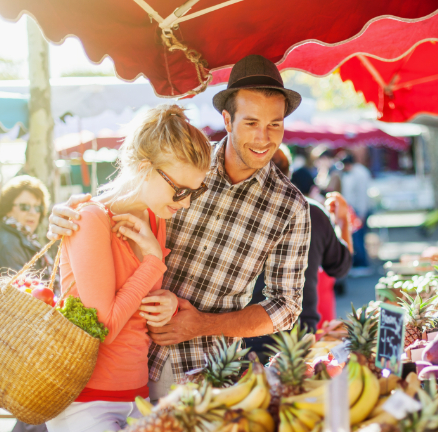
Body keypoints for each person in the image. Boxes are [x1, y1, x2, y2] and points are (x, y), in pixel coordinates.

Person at [46, 54, 310, 397]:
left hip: (208, 369)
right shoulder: (183, 163)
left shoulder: (290, 208)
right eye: (251, 123)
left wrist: (201, 324)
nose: (264, 138)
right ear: (228, 120)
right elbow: (117, 205)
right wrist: (67, 217)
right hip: (130, 356)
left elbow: (286, 306)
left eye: (275, 124)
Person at [44, 104, 209, 431]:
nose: (186, 202)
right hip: (85, 401)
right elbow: (104, 328)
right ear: (145, 167)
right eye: (181, 190)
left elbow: (135, 307)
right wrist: (153, 263)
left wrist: (169, 304)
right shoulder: (89, 219)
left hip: (135, 396)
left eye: (196, 191)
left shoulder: (155, 220)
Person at [244, 148, 352, 358]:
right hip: (298, 341)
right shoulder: (312, 212)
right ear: (289, 173)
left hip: (242, 338)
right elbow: (341, 267)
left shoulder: (238, 212)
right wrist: (343, 222)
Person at [0, 176, 51, 289]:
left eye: (38, 207)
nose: (33, 212)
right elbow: (18, 299)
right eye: (24, 207)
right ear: (7, 209)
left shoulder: (23, 238)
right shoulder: (7, 245)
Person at [340, 153, 372, 269]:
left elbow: (362, 195)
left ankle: (361, 263)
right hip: (353, 209)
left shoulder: (360, 174)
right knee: (355, 237)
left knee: (358, 237)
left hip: (358, 210)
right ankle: (359, 262)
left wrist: (362, 213)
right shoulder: (352, 173)